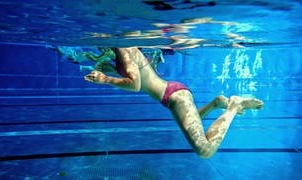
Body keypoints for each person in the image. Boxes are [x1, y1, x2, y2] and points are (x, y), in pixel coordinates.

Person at [61, 47, 264, 158]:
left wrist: (105, 79)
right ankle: (216, 103)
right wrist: (105, 71)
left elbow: (135, 85)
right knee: (195, 127)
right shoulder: (118, 51)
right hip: (172, 95)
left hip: (175, 95)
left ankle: (234, 105)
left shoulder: (123, 47)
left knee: (204, 150)